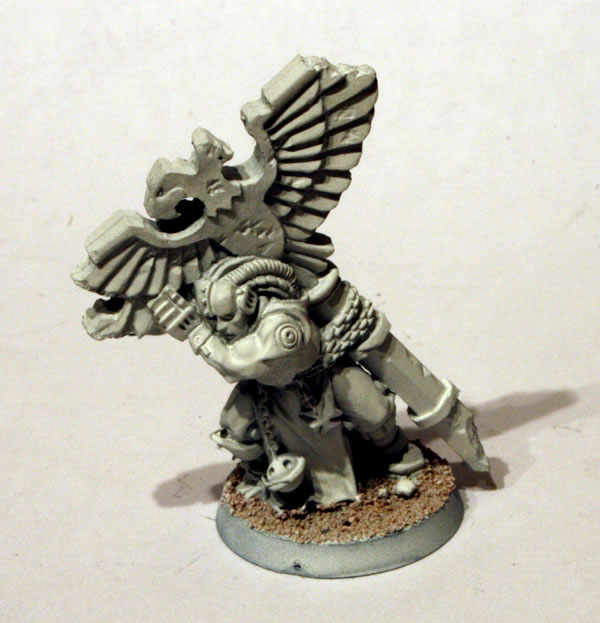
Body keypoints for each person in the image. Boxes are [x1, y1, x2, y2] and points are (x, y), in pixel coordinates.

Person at [149, 256, 424, 506]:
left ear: (249, 300)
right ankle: (261, 472)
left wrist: (197, 332)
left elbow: (238, 363)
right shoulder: (247, 316)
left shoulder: (284, 323)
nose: (220, 327)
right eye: (214, 320)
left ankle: (395, 451)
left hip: (324, 379)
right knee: (234, 426)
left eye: (227, 317)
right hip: (268, 388)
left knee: (373, 412)